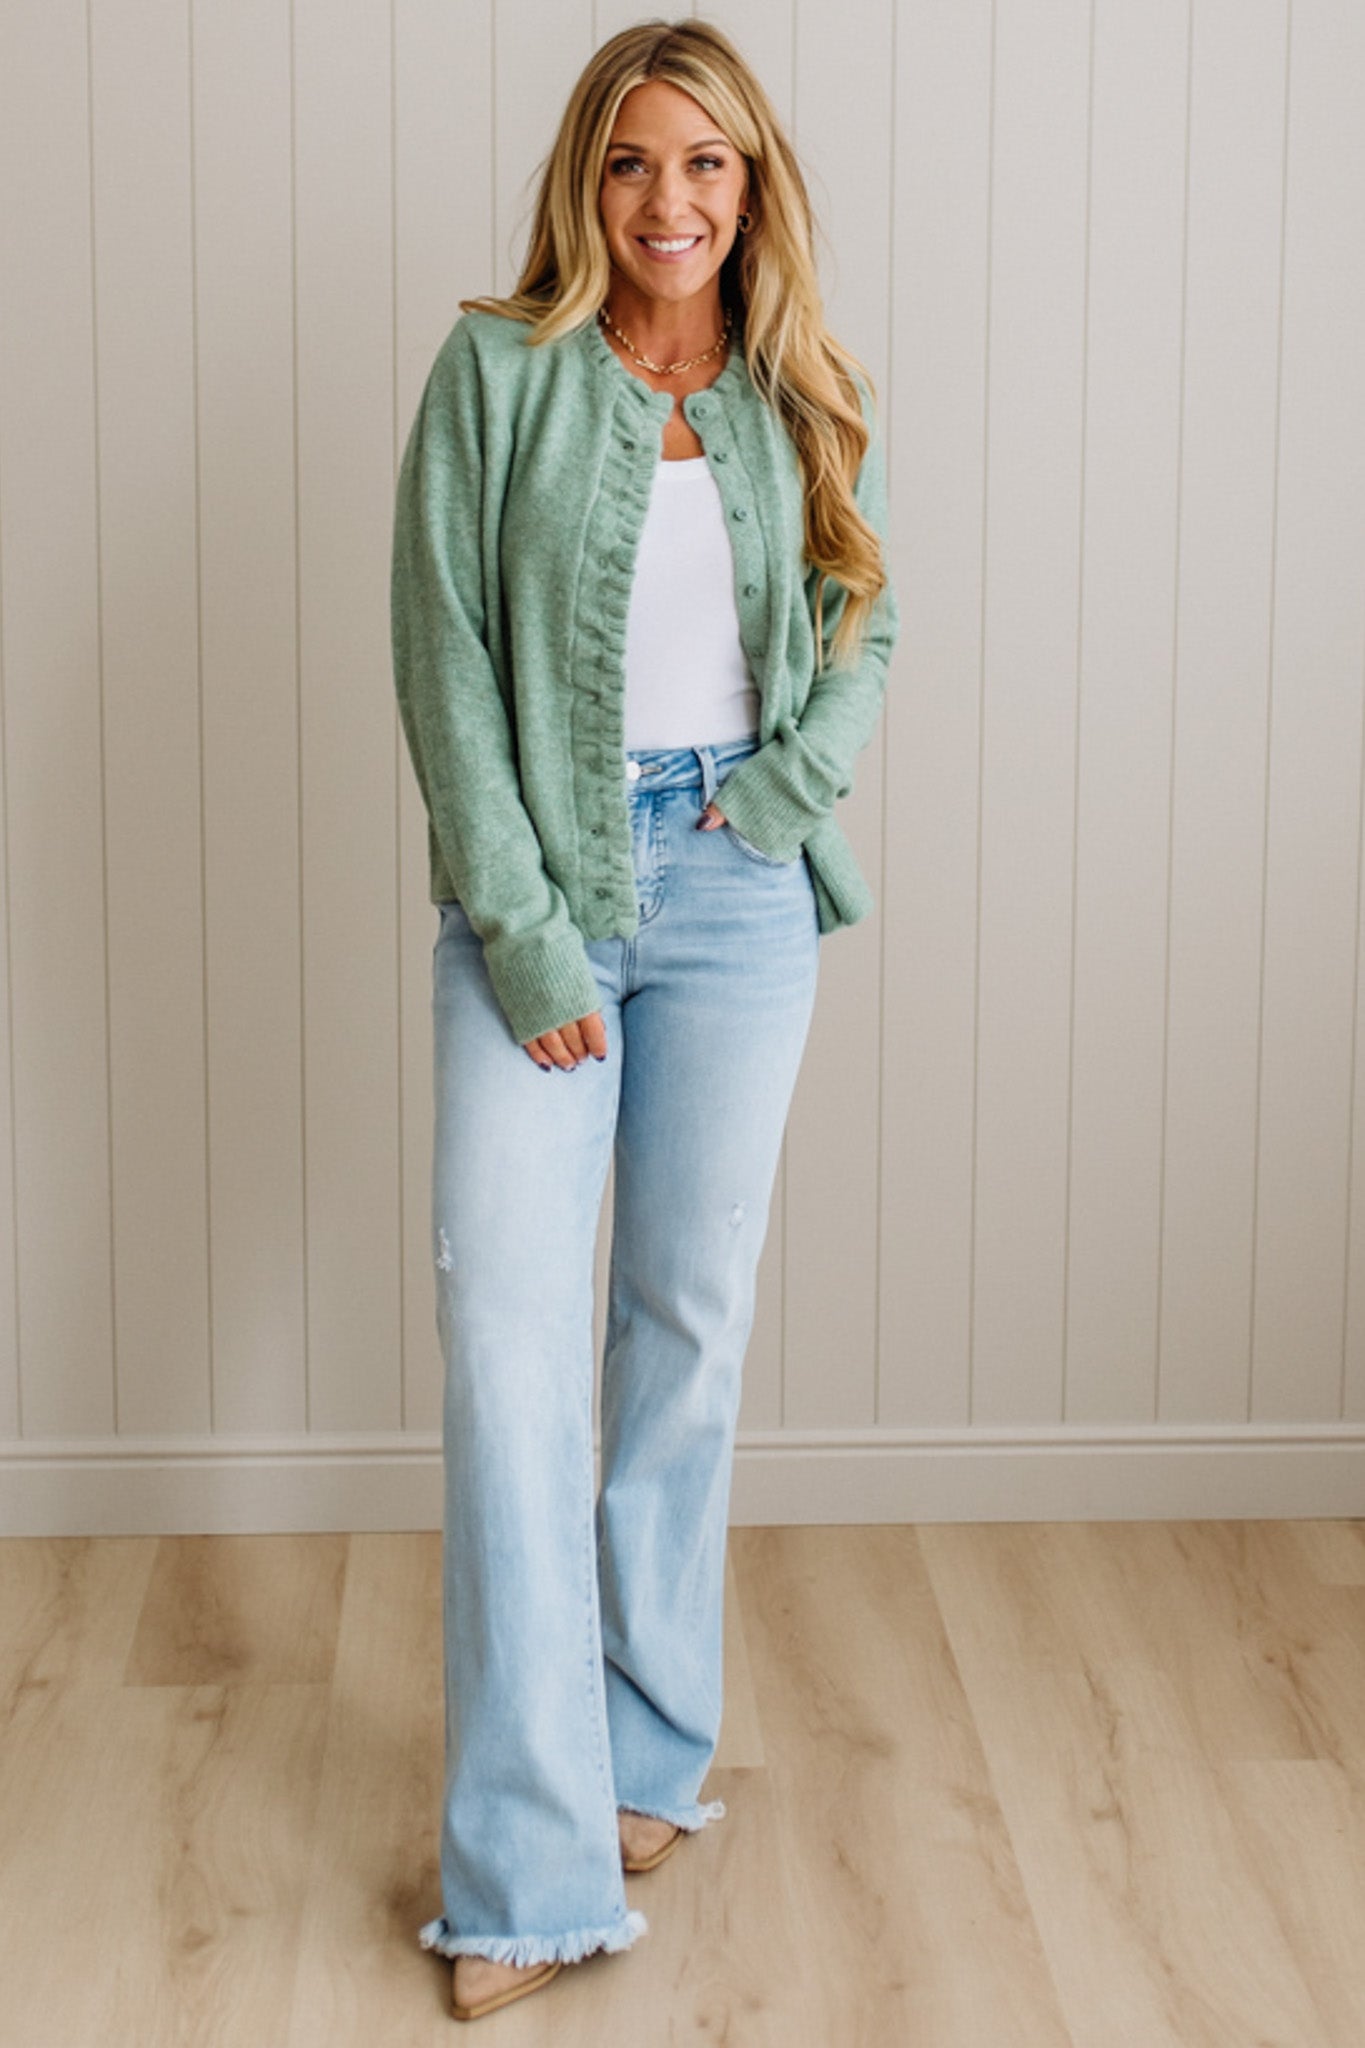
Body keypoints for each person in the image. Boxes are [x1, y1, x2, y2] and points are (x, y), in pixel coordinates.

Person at [390, 14, 898, 2024]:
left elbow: (861, 617)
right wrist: (524, 935)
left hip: (738, 899)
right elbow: (440, 651)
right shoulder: (493, 370)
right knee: (511, 1352)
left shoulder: (800, 390)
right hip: (539, 898)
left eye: (702, 163)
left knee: (682, 1328)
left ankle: (647, 1757)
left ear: (749, 189)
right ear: (580, 184)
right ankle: (519, 1880)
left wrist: (775, 805)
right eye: (627, 162)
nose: (663, 200)